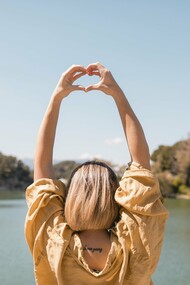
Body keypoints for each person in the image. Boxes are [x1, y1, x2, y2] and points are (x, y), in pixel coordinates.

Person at [25, 63, 169, 285]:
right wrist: (118, 96)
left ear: (71, 198)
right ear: (114, 197)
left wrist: (56, 98)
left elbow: (42, 169)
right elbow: (141, 164)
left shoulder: (52, 242)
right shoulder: (136, 241)